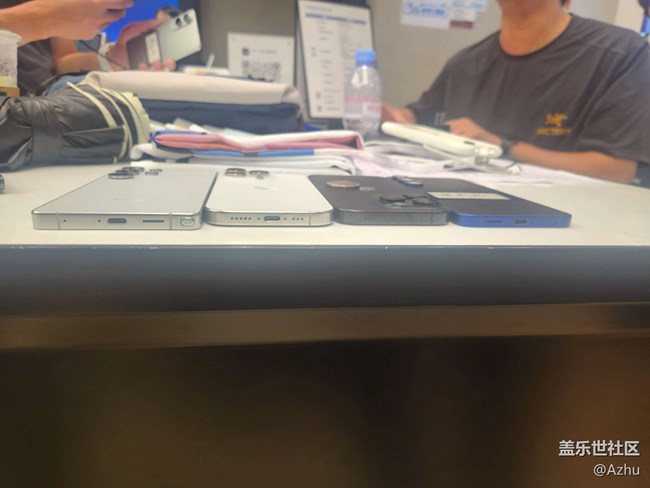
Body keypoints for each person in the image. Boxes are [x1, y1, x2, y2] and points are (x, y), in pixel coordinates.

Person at [383, 0, 650, 184]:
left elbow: (615, 171)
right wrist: (395, 118)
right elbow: (416, 116)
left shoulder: (621, 54)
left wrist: (499, 145)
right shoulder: (465, 63)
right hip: (468, 219)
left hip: (573, 229)